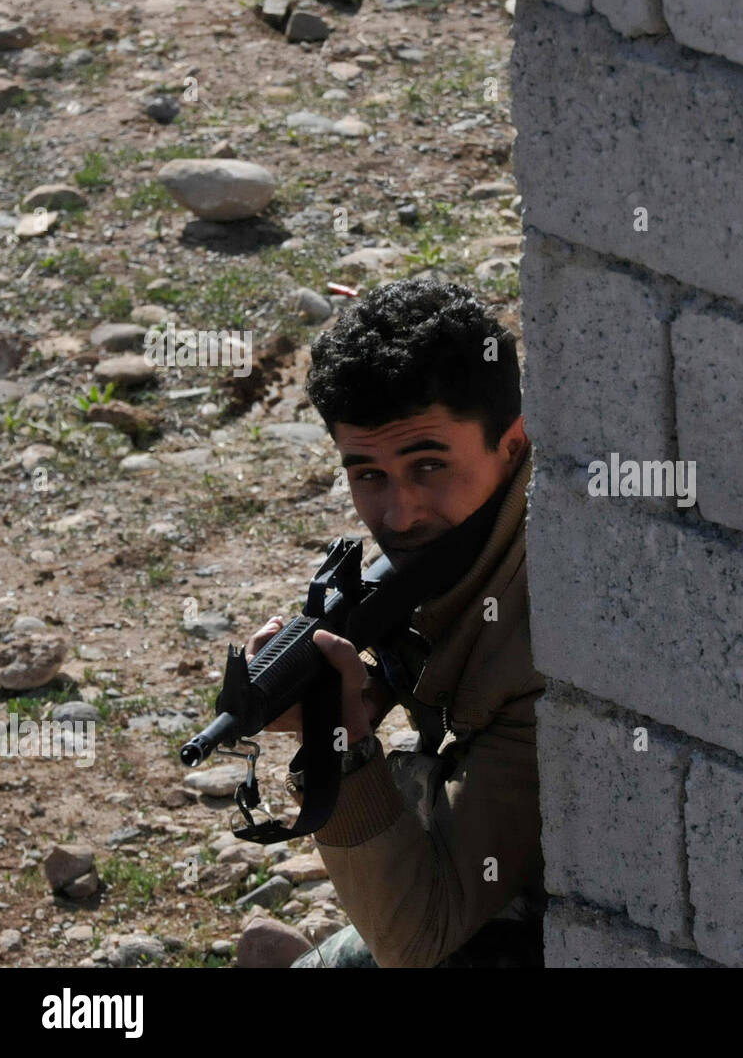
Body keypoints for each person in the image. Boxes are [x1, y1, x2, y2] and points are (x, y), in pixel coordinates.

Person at [242, 277, 546, 967]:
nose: (399, 514)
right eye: (368, 474)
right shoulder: (461, 548)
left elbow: (421, 936)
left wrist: (342, 744)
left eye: (429, 465)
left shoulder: (545, 638)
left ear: (513, 442)